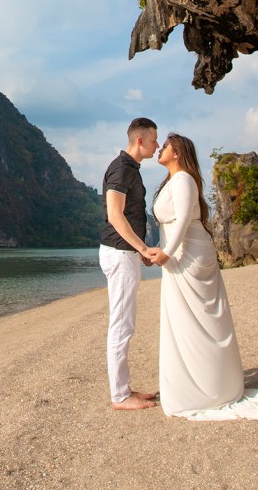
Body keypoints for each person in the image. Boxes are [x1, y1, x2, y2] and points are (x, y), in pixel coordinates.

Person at [148, 133, 258, 421]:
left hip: (190, 254)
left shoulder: (184, 179)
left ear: (177, 153)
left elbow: (185, 220)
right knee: (182, 319)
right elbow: (172, 224)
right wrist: (159, 250)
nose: (160, 149)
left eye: (165, 145)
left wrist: (166, 252)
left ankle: (211, 389)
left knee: (199, 318)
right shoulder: (171, 182)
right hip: (178, 253)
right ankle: (192, 385)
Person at [99, 117, 160, 410]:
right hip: (119, 253)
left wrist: (140, 250)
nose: (157, 146)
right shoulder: (121, 169)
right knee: (121, 325)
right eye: (153, 140)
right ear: (139, 140)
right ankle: (120, 396)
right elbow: (115, 215)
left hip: (125, 252)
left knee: (125, 323)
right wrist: (143, 248)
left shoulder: (130, 169)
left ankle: (124, 389)